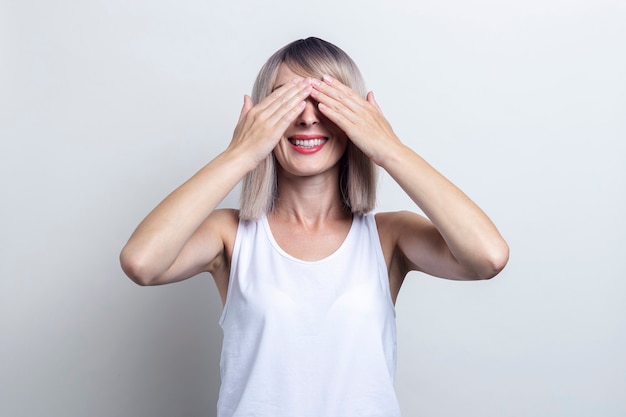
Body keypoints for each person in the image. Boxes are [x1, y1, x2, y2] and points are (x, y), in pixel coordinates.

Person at [120, 37, 509, 417]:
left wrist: (389, 149)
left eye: (326, 101)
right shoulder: (230, 234)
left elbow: (488, 257)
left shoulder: (389, 237)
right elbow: (142, 262)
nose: (308, 117)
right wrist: (239, 154)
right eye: (290, 101)